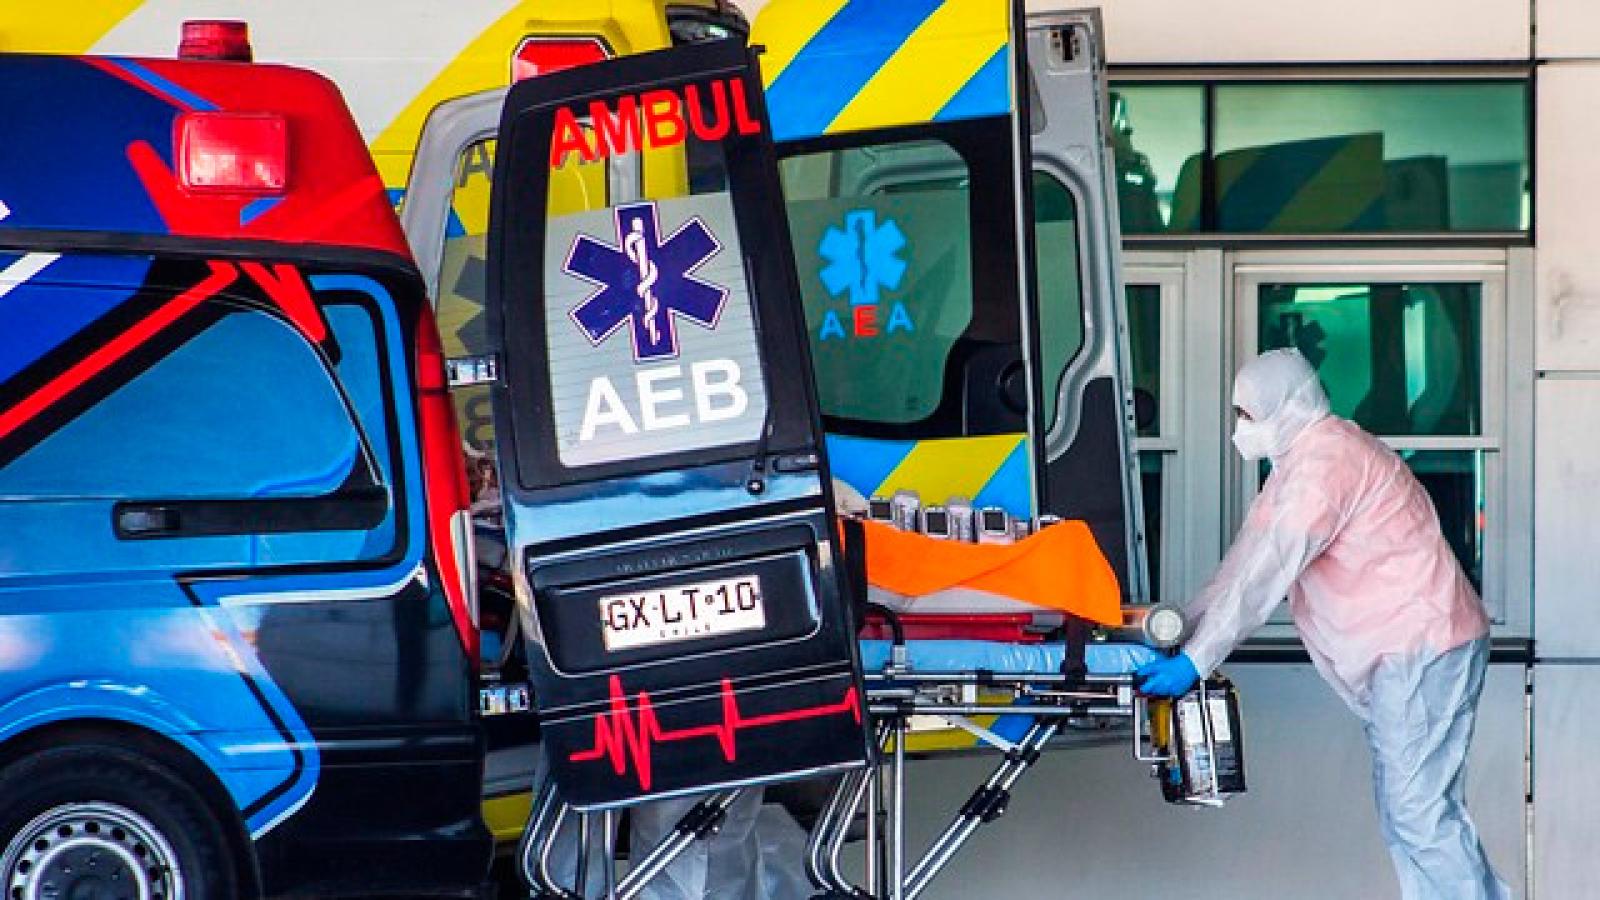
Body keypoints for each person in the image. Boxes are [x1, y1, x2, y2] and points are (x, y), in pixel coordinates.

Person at [1135, 348, 1509, 900]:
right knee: (1408, 812)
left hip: (1423, 641)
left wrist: (1197, 659)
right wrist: (1175, 631)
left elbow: (1267, 576)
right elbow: (1242, 567)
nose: (1240, 427)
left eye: (1248, 414)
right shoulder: (1300, 463)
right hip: (1411, 645)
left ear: (1286, 407)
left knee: (1419, 812)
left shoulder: (1328, 465)